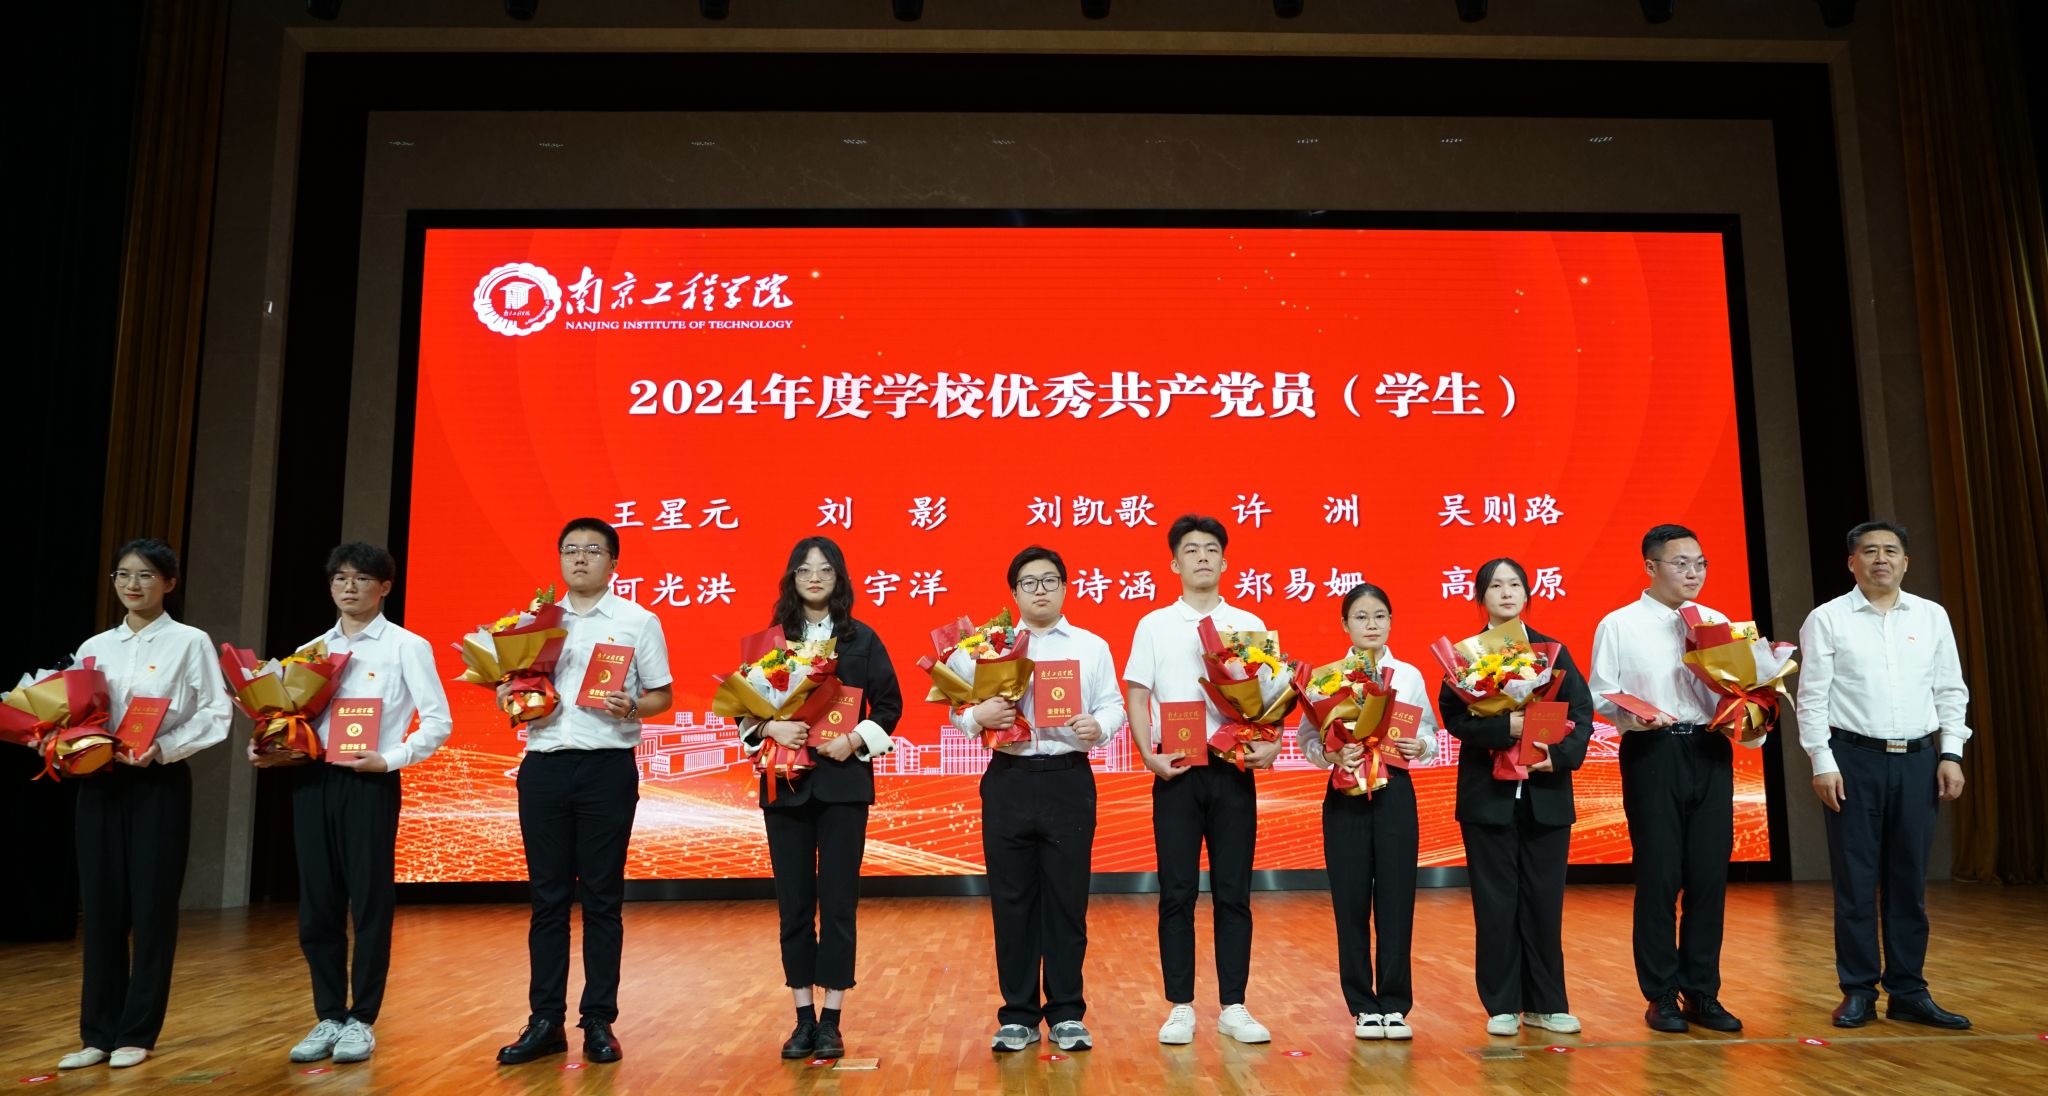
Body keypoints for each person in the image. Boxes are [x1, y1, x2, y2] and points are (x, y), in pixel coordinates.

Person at [264, 543, 453, 1065]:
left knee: (369, 902)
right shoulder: (310, 651)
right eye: (340, 578)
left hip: (369, 781)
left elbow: (438, 722)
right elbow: (292, 720)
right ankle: (328, 1014)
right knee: (317, 904)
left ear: (384, 587)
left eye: (362, 578)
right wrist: (272, 748)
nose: (349, 587)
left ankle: (362, 1019)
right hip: (313, 782)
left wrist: (390, 759)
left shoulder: (407, 646)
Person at [496, 518, 673, 1066]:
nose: (580, 559)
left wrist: (632, 705)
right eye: (570, 550)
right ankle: (545, 1020)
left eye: (592, 550)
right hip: (544, 766)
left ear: (613, 562)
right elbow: (515, 684)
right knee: (547, 900)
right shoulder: (535, 623)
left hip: (606, 768)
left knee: (602, 899)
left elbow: (662, 695)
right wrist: (508, 692)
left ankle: (598, 1020)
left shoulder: (637, 621)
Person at [56, 539, 231, 1071]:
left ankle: (137, 1032)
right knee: (101, 908)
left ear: (169, 583)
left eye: (147, 575)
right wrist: (60, 738)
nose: (133, 585)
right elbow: (75, 711)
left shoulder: (189, 641)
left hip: (158, 782)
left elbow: (216, 713)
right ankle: (97, 1032)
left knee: (152, 908)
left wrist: (165, 748)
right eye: (124, 575)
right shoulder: (94, 646)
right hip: (100, 782)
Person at [1796, 521, 1972, 1030]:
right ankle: (1857, 991)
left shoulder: (1931, 616)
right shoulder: (1827, 618)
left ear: (1905, 562)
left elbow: (1950, 690)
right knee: (1855, 883)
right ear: (1851, 562)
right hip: (1854, 760)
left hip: (1919, 760)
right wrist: (1822, 761)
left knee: (1908, 882)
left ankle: (1909, 991)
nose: (1881, 559)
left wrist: (1951, 753)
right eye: (1869, 551)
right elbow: (1812, 697)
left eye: (1891, 551)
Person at [955, 546, 1126, 1053]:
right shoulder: (989, 648)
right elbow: (957, 708)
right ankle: (1018, 1015)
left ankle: (1068, 1013)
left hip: (1068, 779)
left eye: (1050, 580)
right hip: (1008, 779)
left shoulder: (1092, 646)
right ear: (1014, 593)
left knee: (1067, 903)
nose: (1040, 590)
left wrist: (1099, 726)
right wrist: (977, 717)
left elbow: (1114, 705)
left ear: (1065, 587)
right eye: (1029, 582)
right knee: (1012, 903)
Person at [1589, 524, 1757, 1034]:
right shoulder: (1620, 624)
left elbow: (1741, 689)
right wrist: (1630, 717)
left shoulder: (1718, 623)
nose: (1693, 572)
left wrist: (1752, 710)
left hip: (1708, 749)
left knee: (1708, 876)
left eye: (1700, 563)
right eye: (1681, 563)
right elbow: (1600, 692)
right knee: (1659, 875)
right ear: (1651, 567)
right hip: (1653, 751)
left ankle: (1703, 992)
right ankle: (1661, 993)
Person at [741, 536, 902, 1062]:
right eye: (805, 569)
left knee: (838, 905)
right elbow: (743, 711)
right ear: (792, 578)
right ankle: (802, 1018)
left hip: (842, 787)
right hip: (785, 786)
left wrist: (854, 740)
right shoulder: (772, 642)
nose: (814, 577)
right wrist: (771, 727)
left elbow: (890, 707)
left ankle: (832, 1019)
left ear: (839, 579)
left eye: (825, 569)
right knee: (793, 905)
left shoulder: (862, 639)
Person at [1123, 514, 1277, 1047]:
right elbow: (1138, 694)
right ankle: (1180, 1006)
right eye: (1191, 550)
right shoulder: (1154, 624)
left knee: (1234, 891)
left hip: (1233, 770)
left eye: (1211, 548)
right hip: (1178, 769)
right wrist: (1148, 755)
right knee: (1177, 891)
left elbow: (1272, 696)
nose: (1203, 557)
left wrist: (1272, 744)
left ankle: (1234, 1005)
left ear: (1225, 561)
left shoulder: (1248, 624)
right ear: (1175, 564)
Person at [1439, 557, 1594, 1038]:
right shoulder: (1465, 658)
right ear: (1480, 596)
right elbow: (1454, 718)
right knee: (1495, 903)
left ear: (1527, 593)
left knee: (1544, 902)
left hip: (1545, 792)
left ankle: (1548, 1003)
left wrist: (1557, 756)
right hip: (1488, 797)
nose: (1506, 593)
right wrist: (1504, 726)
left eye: (1514, 585)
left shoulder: (1553, 651)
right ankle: (1502, 1004)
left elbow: (1582, 712)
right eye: (1495, 586)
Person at [1296, 582, 1436, 1041]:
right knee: (1350, 901)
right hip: (1345, 795)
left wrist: (1421, 747)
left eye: (1379, 616)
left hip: (1395, 792)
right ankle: (1362, 1006)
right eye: (1361, 616)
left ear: (1391, 621)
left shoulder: (1409, 675)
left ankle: (1394, 1004)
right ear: (1345, 624)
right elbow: (1307, 740)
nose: (1371, 624)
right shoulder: (1326, 679)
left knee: (1397, 899)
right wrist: (1331, 755)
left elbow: (1429, 733)